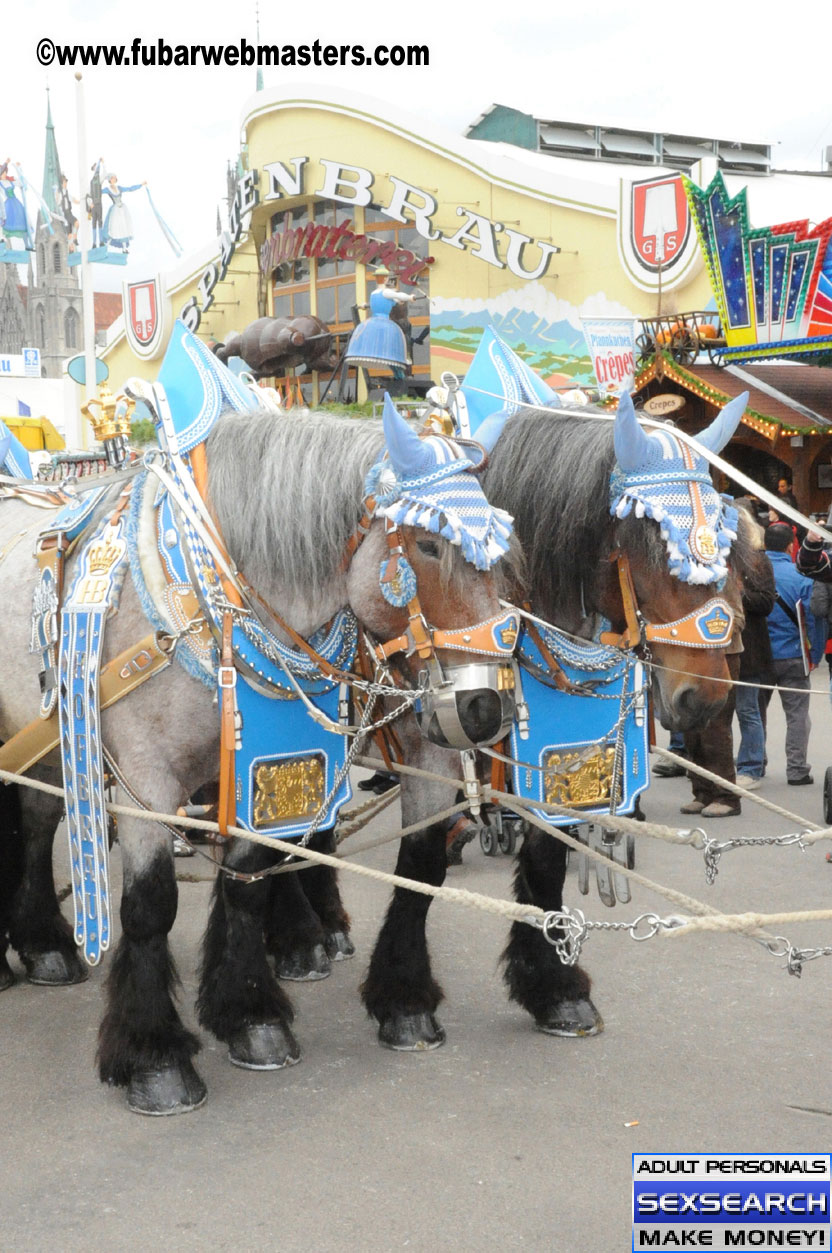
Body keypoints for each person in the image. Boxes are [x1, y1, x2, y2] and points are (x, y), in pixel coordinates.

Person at [762, 523, 821, 785]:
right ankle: (796, 770)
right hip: (794, 655)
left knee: (754, 713)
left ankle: (753, 765)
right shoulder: (802, 576)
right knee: (797, 716)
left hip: (759, 657)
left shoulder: (751, 573)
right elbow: (814, 618)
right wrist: (814, 655)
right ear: (790, 546)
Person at [732, 501, 776, 790]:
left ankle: (751, 766)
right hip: (719, 647)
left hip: (750, 649)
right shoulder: (715, 555)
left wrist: (736, 596)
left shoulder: (759, 560)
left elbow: (766, 602)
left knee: (748, 710)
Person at [101, 172, 146, 253]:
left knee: (123, 228)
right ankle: (105, 247)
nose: (114, 179)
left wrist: (141, 185)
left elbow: (130, 189)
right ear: (110, 180)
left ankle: (124, 248)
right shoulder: (108, 189)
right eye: (112, 178)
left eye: (115, 178)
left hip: (122, 210)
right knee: (113, 228)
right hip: (115, 210)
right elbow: (99, 191)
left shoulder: (119, 188)